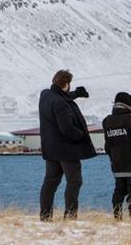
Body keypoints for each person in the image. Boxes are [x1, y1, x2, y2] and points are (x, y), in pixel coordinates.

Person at [38, 69, 96, 221]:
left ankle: (45, 216)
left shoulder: (45, 95)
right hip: (67, 150)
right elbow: (67, 128)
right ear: (66, 84)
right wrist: (81, 135)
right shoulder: (60, 103)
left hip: (51, 149)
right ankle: (70, 216)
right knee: (74, 181)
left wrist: (76, 94)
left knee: (50, 183)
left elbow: (60, 96)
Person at [102, 92, 131, 221]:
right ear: (128, 104)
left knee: (118, 191)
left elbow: (108, 146)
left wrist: (112, 160)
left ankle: (117, 217)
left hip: (117, 164)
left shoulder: (107, 122)